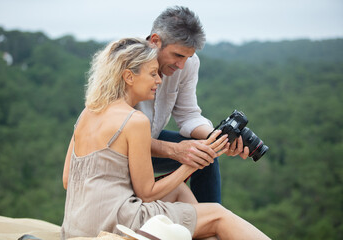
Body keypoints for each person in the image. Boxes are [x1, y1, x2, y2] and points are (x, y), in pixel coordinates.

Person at [61, 37, 270, 239]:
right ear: (129, 76)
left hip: (77, 224)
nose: (159, 80)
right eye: (153, 74)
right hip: (116, 223)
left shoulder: (88, 112)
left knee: (179, 191)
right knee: (218, 215)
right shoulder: (135, 120)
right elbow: (147, 194)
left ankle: (201, 227)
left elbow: (67, 180)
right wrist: (192, 164)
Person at [135, 6, 249, 204]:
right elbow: (119, 137)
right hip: (119, 150)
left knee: (206, 153)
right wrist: (174, 150)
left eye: (187, 57)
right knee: (197, 153)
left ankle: (210, 222)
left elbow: (188, 115)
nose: (181, 65)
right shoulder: (126, 63)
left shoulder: (188, 63)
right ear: (155, 41)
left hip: (151, 141)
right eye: (178, 55)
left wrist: (219, 138)